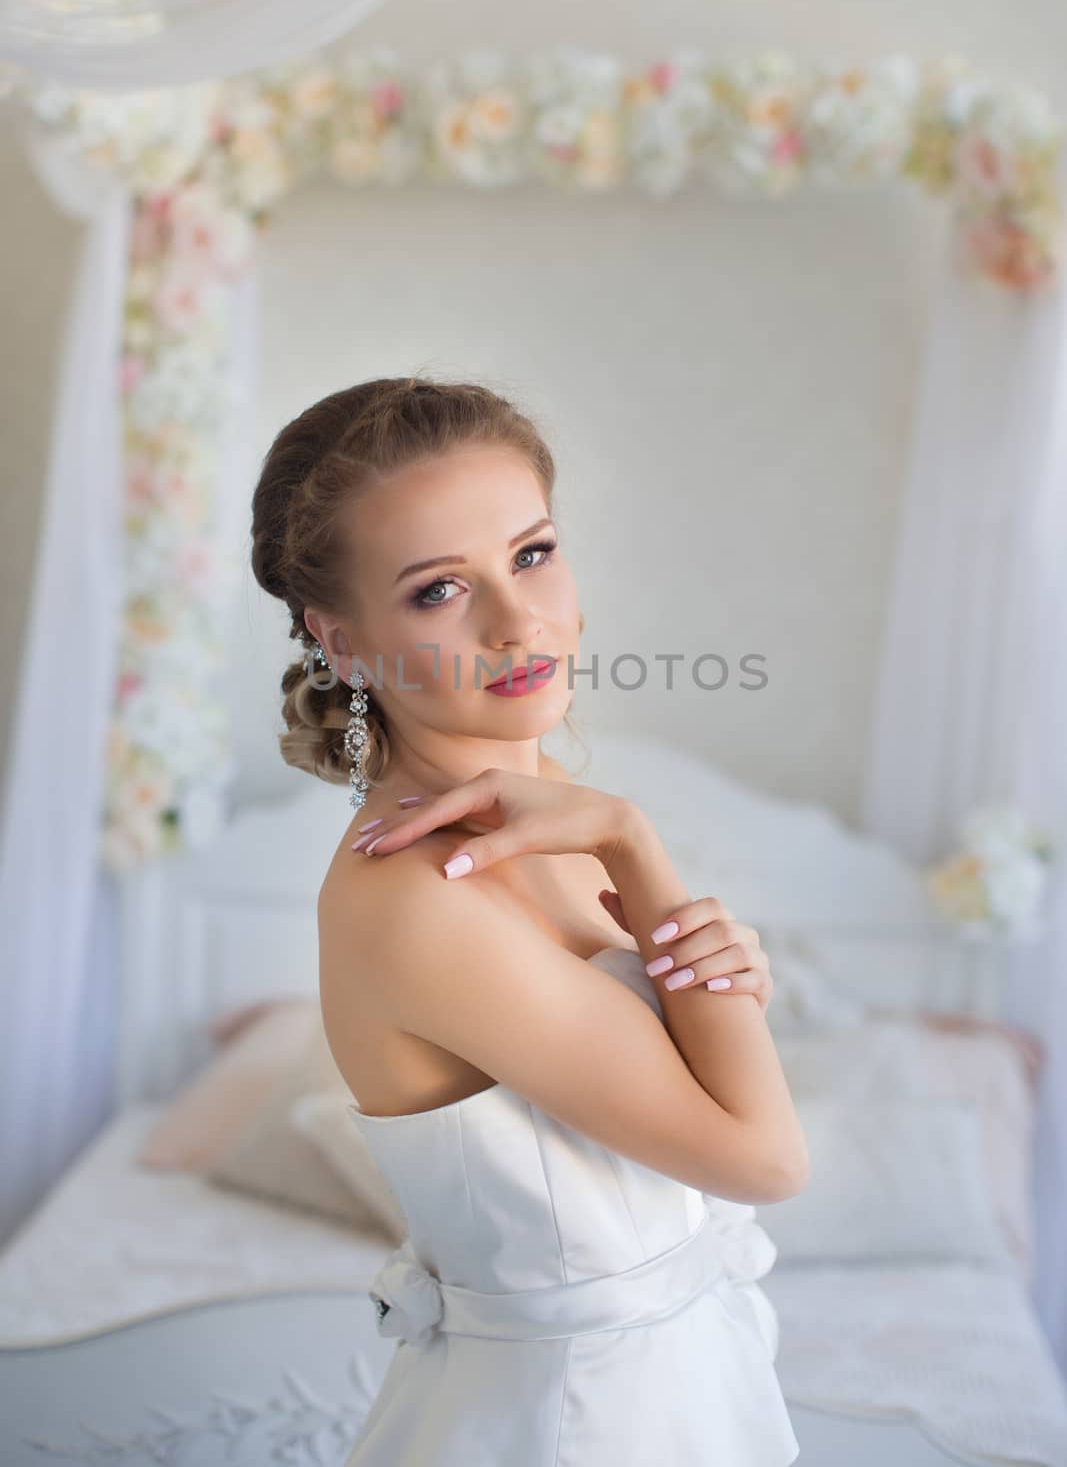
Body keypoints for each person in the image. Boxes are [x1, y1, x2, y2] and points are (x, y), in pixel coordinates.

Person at [249, 374, 807, 1465]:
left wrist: (706, 965)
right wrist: (635, 848)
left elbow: (701, 1096)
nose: (516, 620)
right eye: (436, 590)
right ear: (343, 641)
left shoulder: (541, 814)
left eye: (531, 553)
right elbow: (763, 1159)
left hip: (671, 1395)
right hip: (566, 1423)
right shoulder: (418, 897)